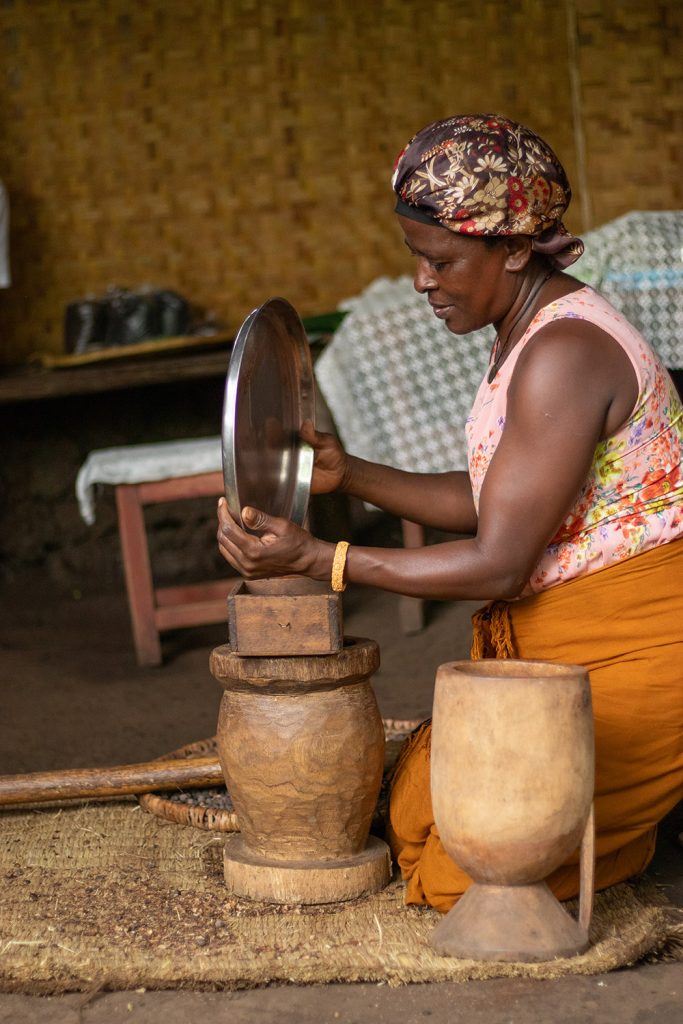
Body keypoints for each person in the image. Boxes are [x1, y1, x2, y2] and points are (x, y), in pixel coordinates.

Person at [217, 114, 683, 912]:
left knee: (466, 881)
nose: (422, 282)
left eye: (440, 261)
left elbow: (499, 559)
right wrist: (351, 473)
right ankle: (606, 825)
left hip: (638, 653)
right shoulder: (526, 331)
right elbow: (497, 499)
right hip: (560, 655)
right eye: (416, 258)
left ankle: (631, 828)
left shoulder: (564, 354)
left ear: (513, 249)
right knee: (410, 819)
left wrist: (318, 561)